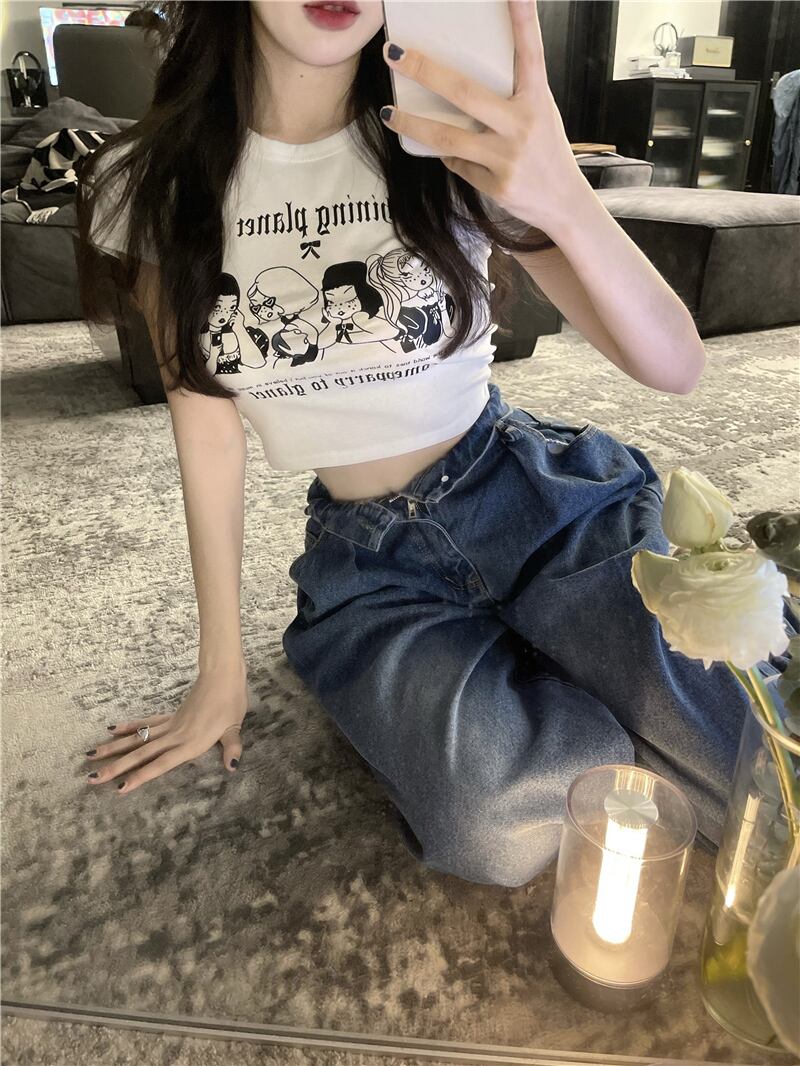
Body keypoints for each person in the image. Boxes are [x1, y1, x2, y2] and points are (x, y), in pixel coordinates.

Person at [76, 1, 779, 887]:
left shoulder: (451, 138)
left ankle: (611, 662)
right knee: (500, 825)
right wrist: (220, 669)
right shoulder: (151, 181)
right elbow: (205, 424)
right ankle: (589, 674)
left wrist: (561, 189)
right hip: (370, 562)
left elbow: (675, 365)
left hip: (529, 493)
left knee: (762, 750)